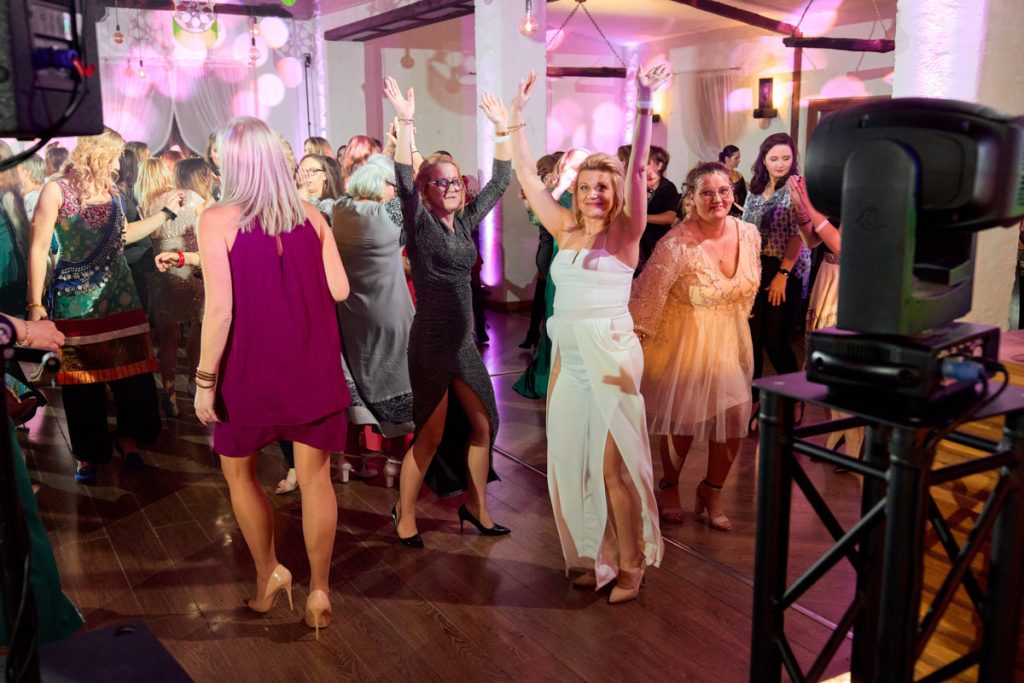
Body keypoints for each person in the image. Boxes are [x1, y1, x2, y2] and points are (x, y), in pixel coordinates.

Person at [508, 66, 669, 603]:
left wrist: (643, 100)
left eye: (603, 186)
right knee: (569, 460)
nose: (594, 193)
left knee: (612, 469)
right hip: (569, 355)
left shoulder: (625, 233)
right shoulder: (564, 229)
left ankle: (632, 564)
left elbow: (639, 164)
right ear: (574, 192)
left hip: (611, 355)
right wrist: (515, 121)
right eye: (585, 186)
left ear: (616, 191)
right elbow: (528, 176)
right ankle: (593, 557)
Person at [192, 116, 350, 637]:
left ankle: (269, 575)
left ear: (234, 164)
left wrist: (204, 380)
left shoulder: (217, 220)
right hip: (312, 364)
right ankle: (320, 589)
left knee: (241, 476)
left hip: (249, 369)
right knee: (316, 479)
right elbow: (340, 290)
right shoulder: (312, 215)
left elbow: (220, 311)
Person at [383, 76, 512, 547]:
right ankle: (404, 514)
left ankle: (477, 507)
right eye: (442, 182)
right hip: (432, 345)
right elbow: (403, 181)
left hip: (464, 344)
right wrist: (406, 123)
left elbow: (501, 181)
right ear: (427, 190)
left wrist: (503, 129)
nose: (453, 187)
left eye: (456, 180)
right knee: (431, 435)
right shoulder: (420, 224)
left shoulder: (467, 220)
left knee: (485, 424)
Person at [28, 128, 182, 484]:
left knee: (131, 375)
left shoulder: (112, 192)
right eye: (112, 156)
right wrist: (35, 302)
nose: (116, 164)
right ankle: (88, 453)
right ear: (94, 152)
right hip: (76, 300)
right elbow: (38, 247)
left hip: (120, 294)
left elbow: (123, 236)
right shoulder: (56, 190)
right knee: (83, 381)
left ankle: (127, 438)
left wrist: (165, 214)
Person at [631, 163, 761, 530]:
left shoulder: (749, 233)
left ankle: (711, 490)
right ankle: (670, 486)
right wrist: (634, 352)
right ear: (691, 198)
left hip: (731, 341)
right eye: (707, 192)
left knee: (735, 418)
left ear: (734, 195)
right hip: (685, 342)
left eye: (724, 191)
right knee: (684, 420)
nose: (717, 198)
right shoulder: (675, 244)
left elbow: (748, 290)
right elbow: (647, 299)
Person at [332, 155, 415, 486]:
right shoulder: (390, 215)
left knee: (354, 381)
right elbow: (412, 190)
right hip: (391, 313)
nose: (394, 190)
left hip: (350, 314)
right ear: (381, 185)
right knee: (398, 380)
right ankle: (394, 462)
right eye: (390, 185)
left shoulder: (338, 211)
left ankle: (350, 460)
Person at [788, 175, 863, 460]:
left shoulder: (864, 193)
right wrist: (801, 209)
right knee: (828, 365)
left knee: (844, 365)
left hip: (851, 282)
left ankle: (854, 438)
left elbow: (842, 245)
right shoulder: (833, 192)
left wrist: (809, 205)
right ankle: (838, 431)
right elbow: (812, 240)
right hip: (828, 276)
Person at [512, 147, 588, 400]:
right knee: (556, 316)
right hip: (560, 258)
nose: (579, 170)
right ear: (563, 167)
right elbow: (536, 217)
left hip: (586, 265)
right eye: (575, 165)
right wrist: (560, 187)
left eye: (584, 165)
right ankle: (549, 375)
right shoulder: (556, 192)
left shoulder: (590, 194)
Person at [139, 158, 212, 417]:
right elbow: (207, 229)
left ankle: (169, 394)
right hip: (190, 267)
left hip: (163, 272)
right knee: (197, 326)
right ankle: (193, 380)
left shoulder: (147, 204)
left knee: (168, 336)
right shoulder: (191, 198)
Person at [742, 133, 810, 410]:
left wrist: (782, 275)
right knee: (753, 339)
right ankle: (753, 402)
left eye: (786, 158)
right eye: (774, 158)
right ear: (764, 160)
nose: (780, 164)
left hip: (785, 267)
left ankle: (795, 401)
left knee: (776, 341)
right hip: (755, 267)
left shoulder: (798, 186)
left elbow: (799, 235)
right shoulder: (756, 188)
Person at [636, 145, 681, 276]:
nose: (642, 165)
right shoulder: (636, 184)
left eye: (647, 162)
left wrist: (643, 218)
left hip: (656, 242)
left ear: (659, 165)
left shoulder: (667, 187)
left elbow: (670, 217)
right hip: (637, 242)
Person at [297, 153, 341, 223]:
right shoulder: (293, 200)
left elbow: (315, 225)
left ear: (325, 175)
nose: (307, 175)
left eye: (313, 171)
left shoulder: (329, 204)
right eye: (303, 171)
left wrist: (303, 193)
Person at [719, 144, 747, 217]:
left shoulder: (738, 175)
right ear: (727, 159)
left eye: (739, 158)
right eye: (736, 158)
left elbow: (744, 198)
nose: (739, 161)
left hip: (740, 214)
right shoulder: (718, 175)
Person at [17, 154, 46, 220]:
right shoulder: (21, 192)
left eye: (16, 169)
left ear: (27, 172)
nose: (13, 172)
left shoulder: (37, 197)